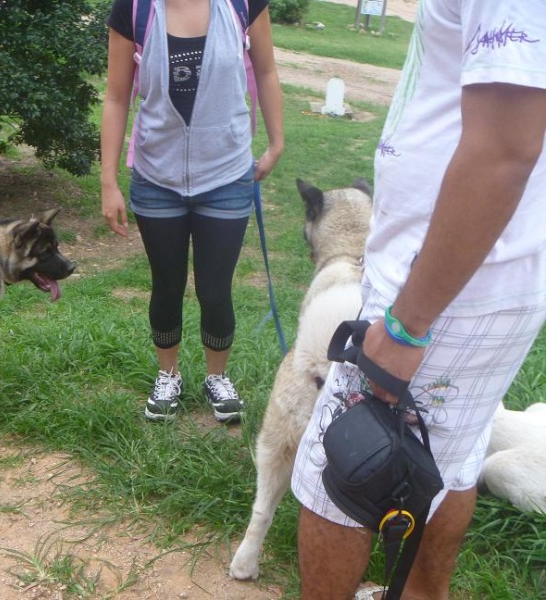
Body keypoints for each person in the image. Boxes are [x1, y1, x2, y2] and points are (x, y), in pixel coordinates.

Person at [290, 1, 546, 598]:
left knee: (345, 469)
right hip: (482, 278)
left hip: (442, 286)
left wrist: (407, 323)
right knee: (453, 456)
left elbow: (504, 149)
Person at [100, 0, 284, 422]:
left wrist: (276, 142)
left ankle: (217, 377)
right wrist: (108, 181)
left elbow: (268, 71)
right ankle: (169, 375)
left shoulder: (242, 4)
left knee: (215, 290)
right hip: (156, 177)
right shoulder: (134, 9)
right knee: (166, 285)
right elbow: (115, 96)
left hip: (225, 175)